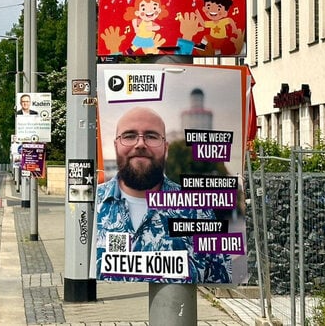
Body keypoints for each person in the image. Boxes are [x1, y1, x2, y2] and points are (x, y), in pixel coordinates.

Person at [94, 106, 231, 283]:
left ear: (165, 147)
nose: (140, 144)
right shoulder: (90, 206)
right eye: (129, 136)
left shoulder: (198, 211)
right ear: (115, 145)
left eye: (151, 136)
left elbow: (220, 281)